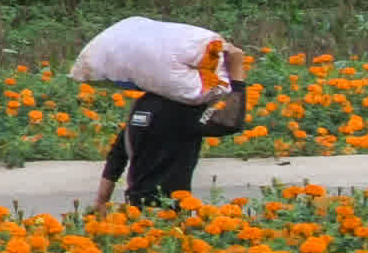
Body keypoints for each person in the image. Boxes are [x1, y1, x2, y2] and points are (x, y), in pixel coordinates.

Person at [76, 14, 248, 205]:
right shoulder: (184, 109)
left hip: (135, 205)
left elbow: (118, 153)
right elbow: (230, 123)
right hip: (166, 212)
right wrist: (237, 76)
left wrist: (101, 202)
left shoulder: (143, 105)